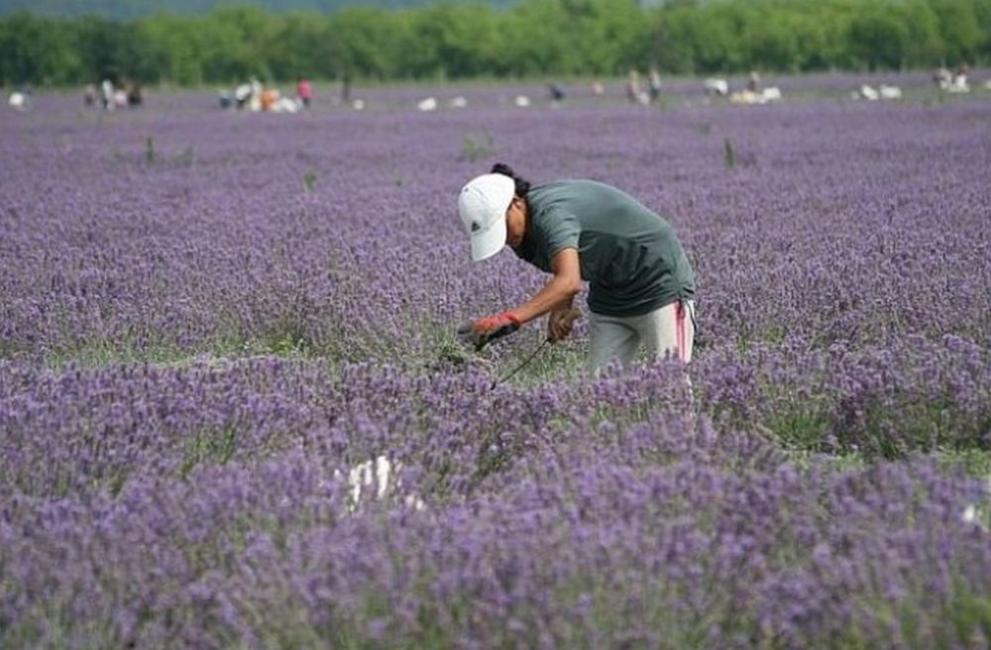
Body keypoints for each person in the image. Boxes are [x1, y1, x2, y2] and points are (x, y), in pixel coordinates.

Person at [458, 163, 696, 371]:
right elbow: (566, 268)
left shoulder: (551, 215)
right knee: (600, 394)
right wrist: (561, 308)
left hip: (659, 283)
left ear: (516, 203)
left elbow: (569, 282)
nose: (505, 237)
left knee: (670, 384)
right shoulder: (521, 238)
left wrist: (508, 319)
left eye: (503, 225)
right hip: (610, 295)